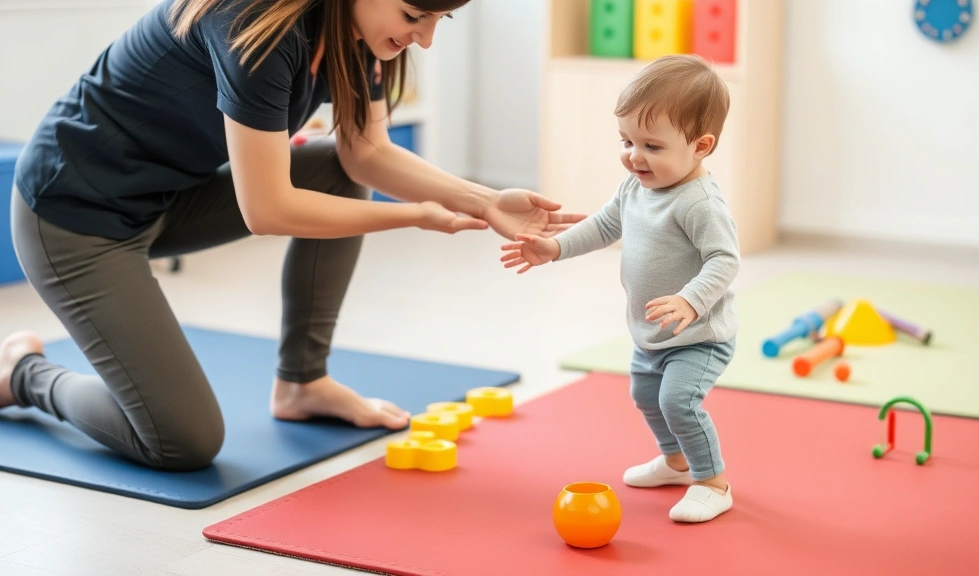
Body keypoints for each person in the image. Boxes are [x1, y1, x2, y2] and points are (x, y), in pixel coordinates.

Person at [0, 0, 583, 472]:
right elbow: (268, 209)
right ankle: (22, 375)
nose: (425, 39)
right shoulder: (258, 24)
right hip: (73, 216)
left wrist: (484, 200)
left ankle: (303, 383)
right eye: (413, 16)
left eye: (439, 20)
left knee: (331, 167)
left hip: (166, 199)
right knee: (181, 442)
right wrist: (414, 215)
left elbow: (368, 155)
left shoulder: (355, 35)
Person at [499, 54, 740, 523]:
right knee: (645, 396)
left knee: (677, 400)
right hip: (650, 332)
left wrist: (691, 300)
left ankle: (712, 482)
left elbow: (725, 259)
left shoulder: (700, 203)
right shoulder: (635, 187)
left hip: (699, 337)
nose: (634, 155)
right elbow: (606, 225)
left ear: (701, 145)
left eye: (651, 145)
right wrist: (554, 248)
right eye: (626, 140)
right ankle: (675, 461)